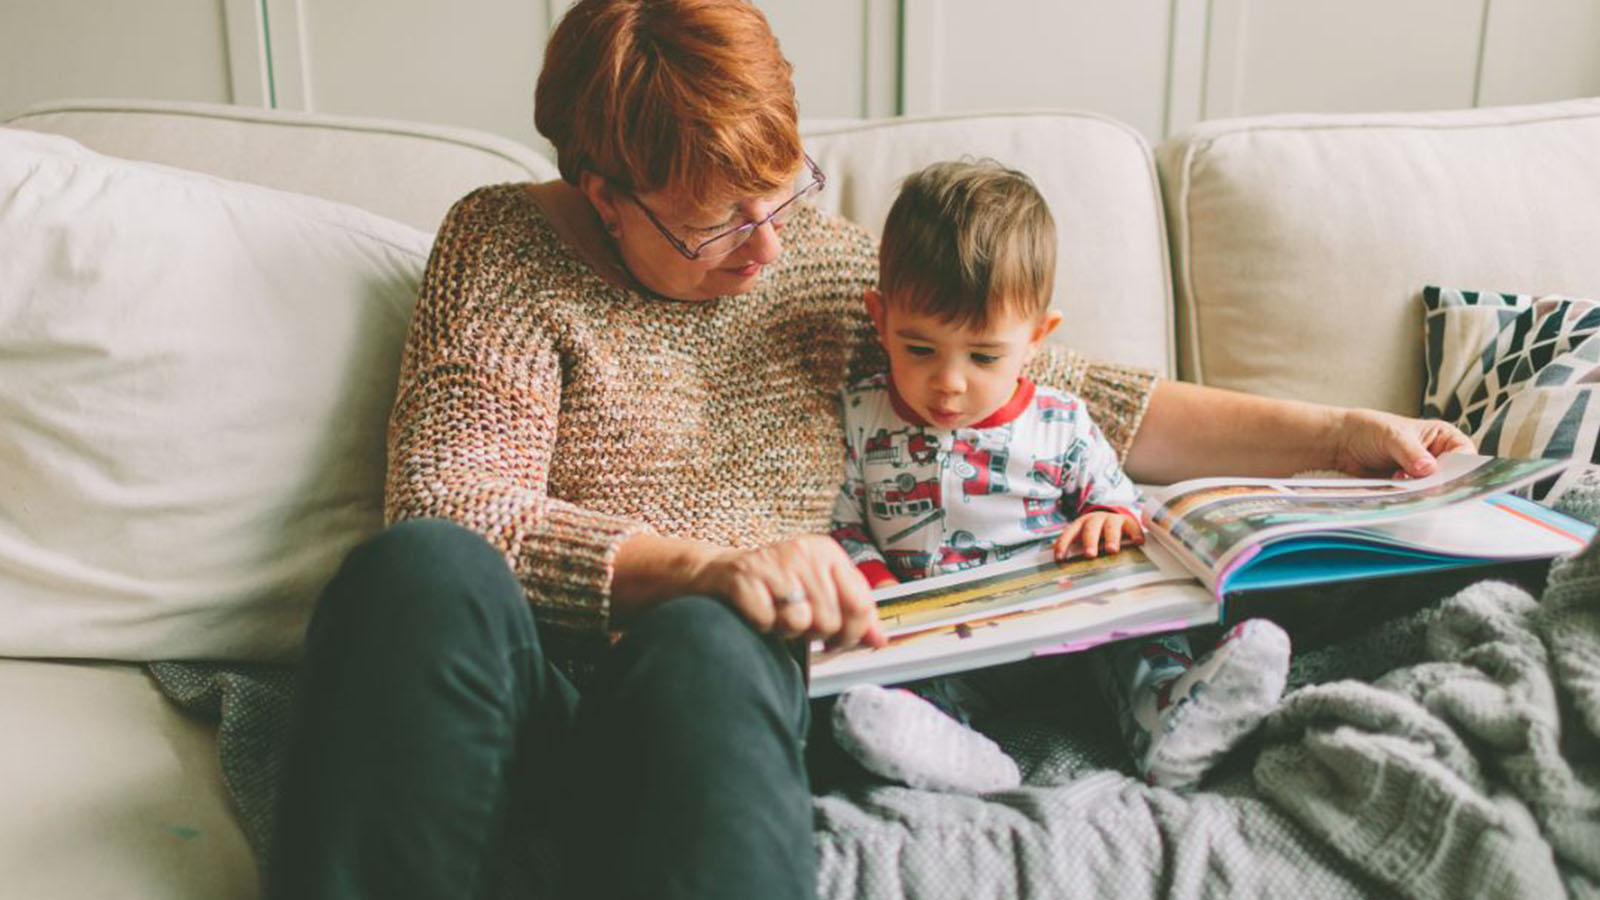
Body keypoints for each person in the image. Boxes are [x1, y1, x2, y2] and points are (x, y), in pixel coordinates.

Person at [265, 1, 1472, 899]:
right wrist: (700, 563)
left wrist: (1337, 433)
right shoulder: (502, 249)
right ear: (603, 191)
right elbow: (461, 503)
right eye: (714, 225)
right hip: (528, 697)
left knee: (713, 640)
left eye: (784, 197)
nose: (768, 251)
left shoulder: (836, 271)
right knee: (416, 569)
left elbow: (1073, 398)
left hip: (718, 708)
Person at [825, 160, 1291, 795]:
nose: (951, 382)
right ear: (879, 320)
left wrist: (1108, 518)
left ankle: (1172, 721)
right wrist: (873, 582)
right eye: (920, 348)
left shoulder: (1061, 422)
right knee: (883, 686)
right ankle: (960, 760)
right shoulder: (860, 419)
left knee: (1145, 640)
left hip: (1077, 637)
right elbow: (842, 524)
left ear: (1038, 338)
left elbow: (1121, 501)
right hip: (944, 644)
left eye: (985, 355)